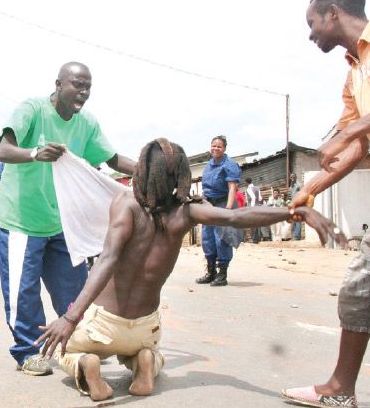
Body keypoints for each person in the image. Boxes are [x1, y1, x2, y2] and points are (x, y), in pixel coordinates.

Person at [35, 139, 347, 402]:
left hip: (102, 326)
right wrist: (293, 211)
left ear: (141, 172)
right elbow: (237, 217)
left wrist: (70, 318)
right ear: (182, 175)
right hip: (145, 327)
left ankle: (86, 367)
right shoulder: (187, 213)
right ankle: (145, 363)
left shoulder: (125, 204)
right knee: (151, 352)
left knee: (66, 350)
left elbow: (107, 259)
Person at [0, 61, 135, 376]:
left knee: (73, 291)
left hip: (61, 223)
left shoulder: (86, 124)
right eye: (77, 84)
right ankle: (28, 352)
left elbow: (112, 160)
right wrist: (35, 153)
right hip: (21, 221)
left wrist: (152, 171)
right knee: (23, 292)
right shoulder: (32, 110)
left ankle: (79, 341)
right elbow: (3, 151)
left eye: (87, 87)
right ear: (58, 84)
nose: (83, 92)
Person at [281, 0, 370, 407]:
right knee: (360, 290)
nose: (311, 35)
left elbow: (350, 136)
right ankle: (340, 391)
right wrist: (313, 188)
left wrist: (348, 134)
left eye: (312, 23)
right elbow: (353, 148)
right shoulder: (353, 75)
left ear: (331, 11)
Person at [195, 135, 241, 286]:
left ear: (224, 149)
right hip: (209, 205)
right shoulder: (209, 164)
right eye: (213, 145)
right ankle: (210, 272)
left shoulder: (229, 165)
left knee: (221, 239)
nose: (215, 148)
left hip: (223, 204)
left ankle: (222, 275)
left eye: (219, 146)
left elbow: (232, 187)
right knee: (207, 239)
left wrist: (228, 209)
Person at [244, 177, 263, 243]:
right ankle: (258, 238)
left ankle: (254, 239)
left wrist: (252, 207)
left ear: (246, 182)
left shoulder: (248, 189)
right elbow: (260, 198)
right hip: (258, 206)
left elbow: (253, 197)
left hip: (252, 207)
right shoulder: (257, 188)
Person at [289, 173, 302, 240]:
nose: (292, 178)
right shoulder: (291, 185)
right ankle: (295, 235)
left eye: (293, 177)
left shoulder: (298, 185)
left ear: (296, 177)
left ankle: (297, 236)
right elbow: (291, 195)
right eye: (291, 177)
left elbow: (302, 194)